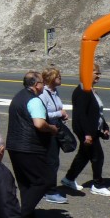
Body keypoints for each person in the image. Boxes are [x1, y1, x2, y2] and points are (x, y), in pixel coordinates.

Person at [5, 71, 58, 218]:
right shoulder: (34, 101)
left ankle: (28, 217)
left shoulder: (18, 97)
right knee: (45, 180)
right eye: (42, 82)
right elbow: (39, 124)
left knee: (26, 183)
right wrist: (52, 128)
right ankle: (22, 216)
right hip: (30, 147)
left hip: (14, 146)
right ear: (36, 85)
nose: (44, 85)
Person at [62, 65, 110, 196]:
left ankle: (69, 178)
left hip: (92, 130)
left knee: (84, 155)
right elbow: (81, 115)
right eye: (96, 73)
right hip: (87, 131)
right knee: (97, 156)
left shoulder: (90, 90)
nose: (98, 76)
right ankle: (97, 184)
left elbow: (97, 113)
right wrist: (87, 134)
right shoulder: (82, 91)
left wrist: (104, 127)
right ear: (87, 73)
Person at [38, 67, 69, 205]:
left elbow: (57, 109)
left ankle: (48, 187)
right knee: (51, 161)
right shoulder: (43, 94)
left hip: (56, 129)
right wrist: (59, 114)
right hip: (48, 131)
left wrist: (62, 114)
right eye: (57, 76)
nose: (60, 78)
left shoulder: (55, 92)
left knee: (54, 160)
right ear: (50, 78)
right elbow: (42, 114)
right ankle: (49, 191)